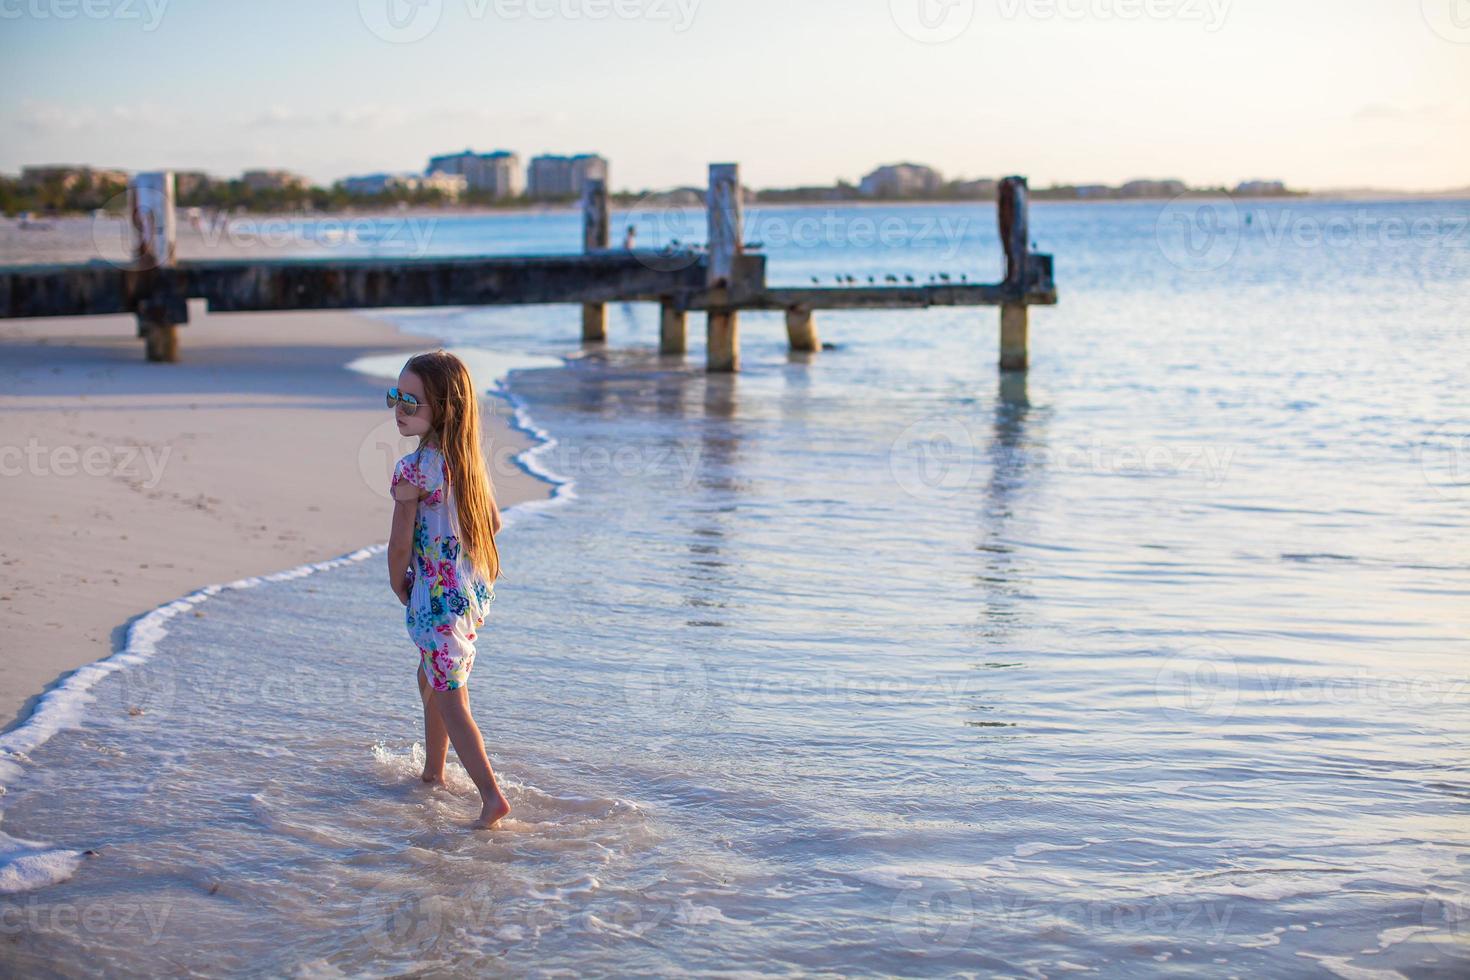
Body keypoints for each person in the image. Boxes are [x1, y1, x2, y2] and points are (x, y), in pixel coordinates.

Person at [386, 350, 510, 829]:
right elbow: (493, 522)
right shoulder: (468, 464)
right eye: (395, 396)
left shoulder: (413, 471)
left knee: (451, 696)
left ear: (443, 408)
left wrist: (400, 582)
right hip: (466, 594)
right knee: (431, 678)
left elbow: (399, 544)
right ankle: (433, 774)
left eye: (411, 401)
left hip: (435, 600)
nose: (399, 408)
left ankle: (492, 797)